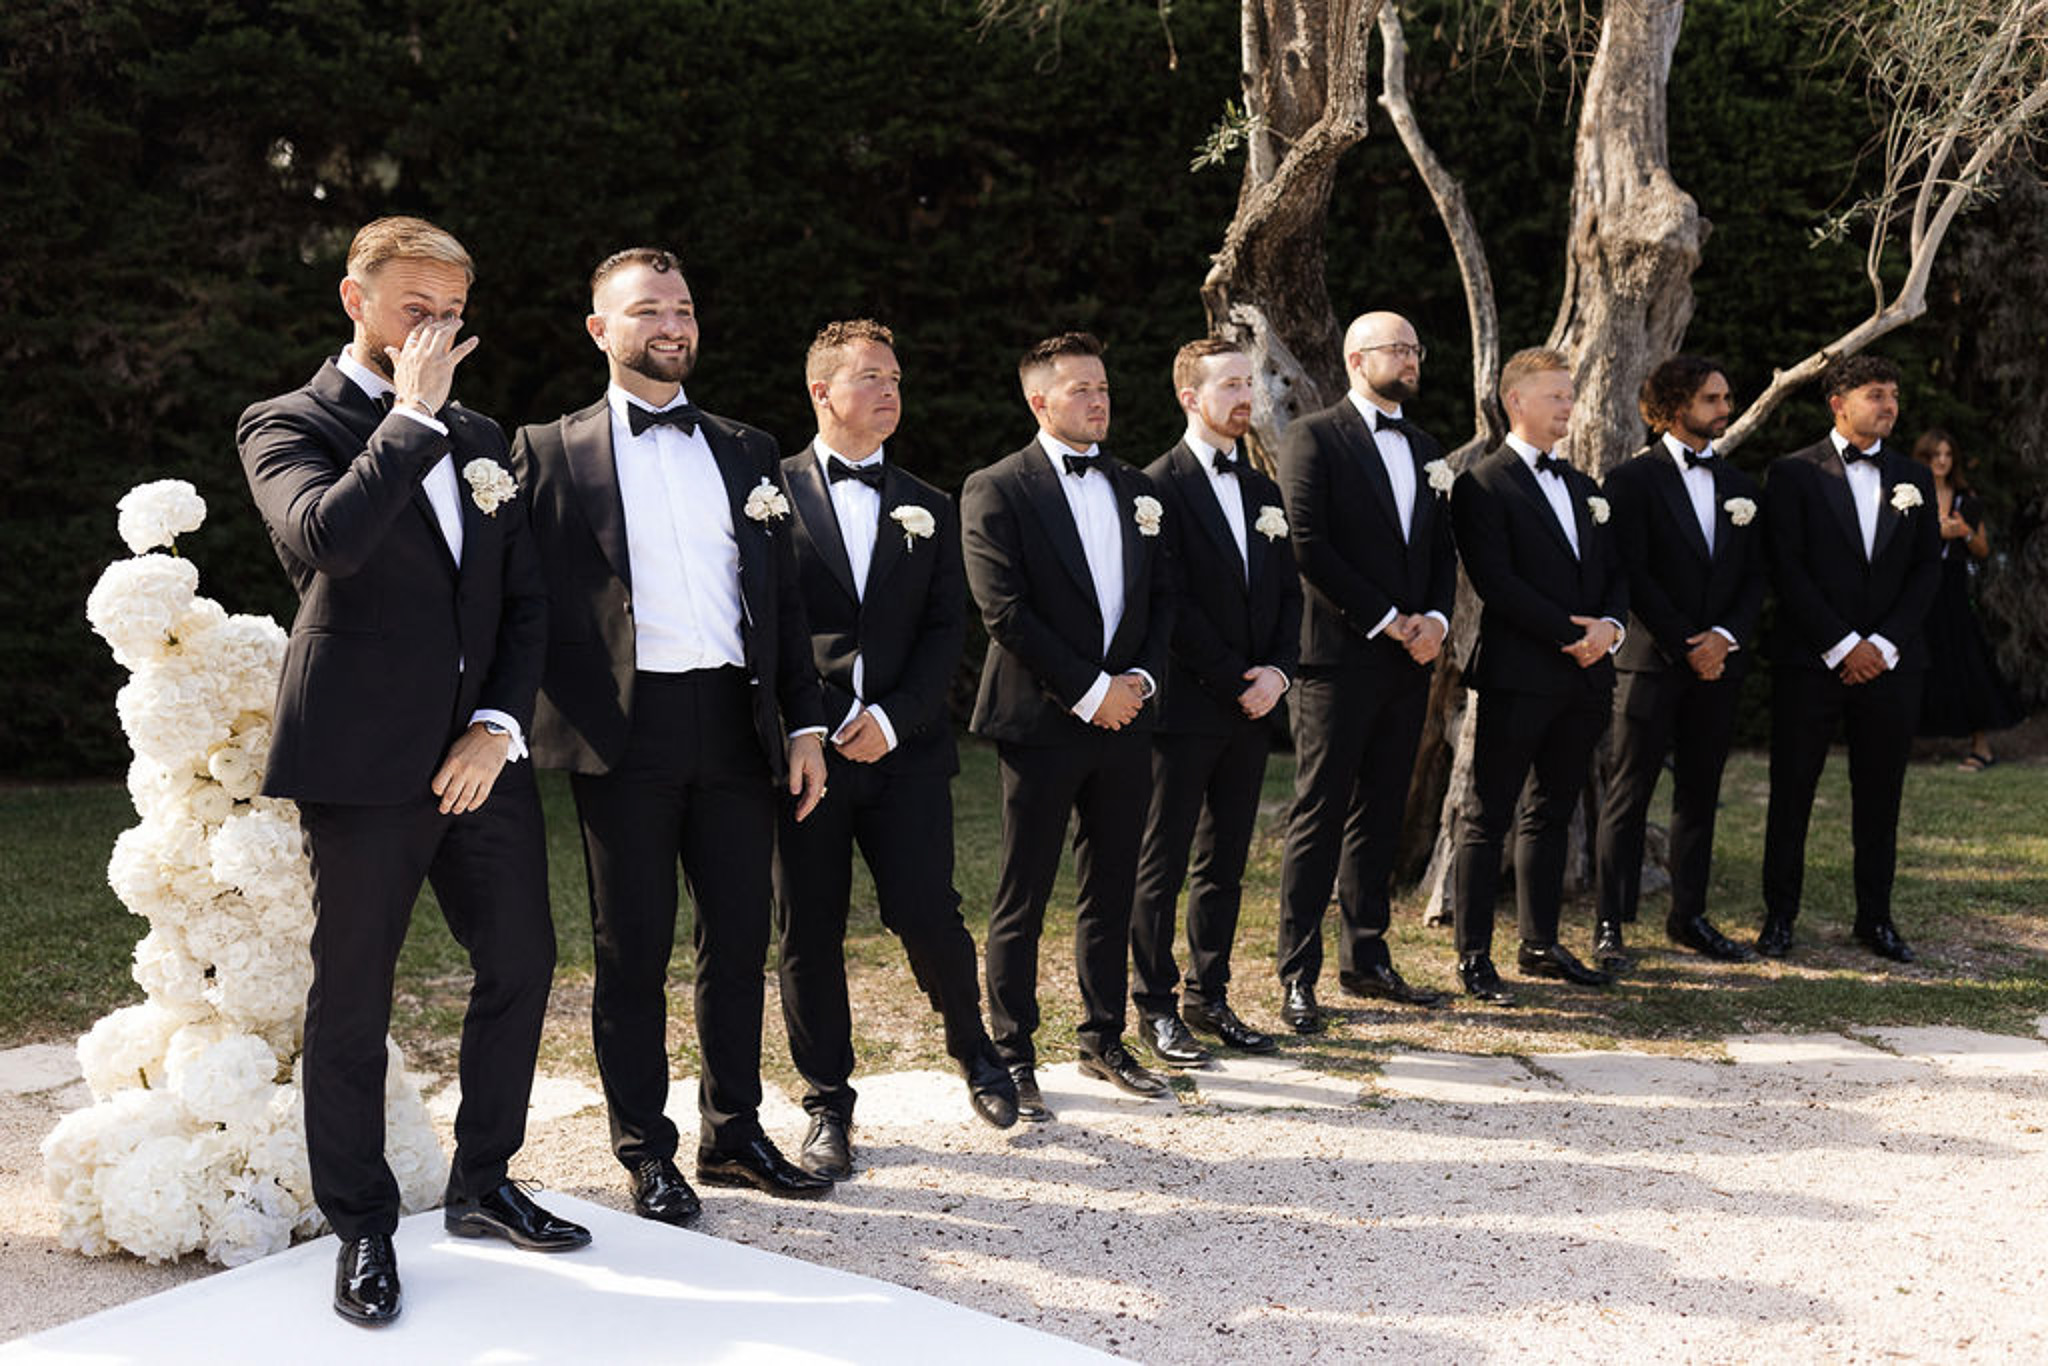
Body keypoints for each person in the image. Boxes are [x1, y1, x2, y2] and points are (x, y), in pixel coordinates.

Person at [237, 216, 585, 1327]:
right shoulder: (287, 421)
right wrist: (411, 415)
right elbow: (325, 543)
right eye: (414, 308)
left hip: (480, 758)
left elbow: (524, 601)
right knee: (353, 995)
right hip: (360, 759)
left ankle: (483, 1182)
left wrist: (496, 724)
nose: (437, 328)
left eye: (453, 312)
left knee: (522, 961)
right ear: (355, 300)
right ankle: (362, 1226)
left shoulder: (484, 437)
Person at [511, 248, 832, 1222]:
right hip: (623, 731)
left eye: (683, 308)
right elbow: (518, 599)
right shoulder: (547, 450)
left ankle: (733, 1133)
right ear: (599, 329)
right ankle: (645, 1150)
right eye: (647, 310)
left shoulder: (747, 447)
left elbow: (782, 601)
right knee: (633, 948)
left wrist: (804, 723)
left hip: (737, 723)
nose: (672, 326)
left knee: (737, 942)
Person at [772, 320, 1019, 1179]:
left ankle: (974, 1048)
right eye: (871, 376)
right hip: (807, 755)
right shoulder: (766, 495)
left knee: (927, 912)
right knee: (808, 929)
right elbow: (766, 625)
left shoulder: (928, 503)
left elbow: (948, 629)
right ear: (822, 391)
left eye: (897, 378)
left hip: (906, 752)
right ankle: (826, 1103)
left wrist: (895, 717)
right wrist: (818, 719)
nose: (890, 391)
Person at [962, 331, 1175, 1118]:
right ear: (1038, 400)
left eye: (1104, 387)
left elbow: (1162, 599)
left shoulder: (1136, 488)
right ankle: (1013, 1052)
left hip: (1128, 718)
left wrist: (1140, 681)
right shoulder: (996, 487)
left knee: (1113, 885)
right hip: (1043, 719)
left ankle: (1103, 1039)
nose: (1098, 401)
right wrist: (1090, 691)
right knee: (1024, 890)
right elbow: (1004, 611)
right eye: (1081, 389)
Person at [1271, 311, 1457, 1033]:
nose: (1411, 359)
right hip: (1337, 657)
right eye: (1397, 349)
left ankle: (1367, 958)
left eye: (1416, 348)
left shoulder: (1427, 447)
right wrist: (1387, 618)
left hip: (1409, 662)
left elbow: (1441, 548)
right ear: (1356, 359)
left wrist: (1434, 620)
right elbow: (1308, 544)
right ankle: (1298, 975)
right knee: (1320, 813)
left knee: (1382, 811)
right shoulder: (1313, 437)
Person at [1130, 338, 1301, 1064]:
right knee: (1161, 861)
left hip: (1252, 709)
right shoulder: (1155, 487)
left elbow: (1289, 594)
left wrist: (1279, 674)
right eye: (1229, 385)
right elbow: (1168, 605)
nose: (1244, 398)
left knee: (1225, 862)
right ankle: (1154, 1005)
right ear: (1188, 396)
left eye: (1248, 384)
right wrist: (1238, 678)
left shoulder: (1263, 490)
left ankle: (1210, 993)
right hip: (1184, 709)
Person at [1447, 348, 1628, 1004]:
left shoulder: (1585, 487)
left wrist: (1610, 628)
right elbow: (1496, 582)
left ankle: (1540, 942)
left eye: (1569, 395)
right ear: (1515, 402)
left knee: (1554, 811)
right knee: (1487, 813)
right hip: (1519, 676)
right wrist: (1571, 634)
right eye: (1555, 395)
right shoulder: (1482, 484)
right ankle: (1473, 955)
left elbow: (1614, 570)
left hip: (1585, 679)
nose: (1567, 405)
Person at [1759, 354, 1941, 963]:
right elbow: (1787, 568)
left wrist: (1883, 646)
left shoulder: (1914, 476)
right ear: (1838, 404)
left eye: (1894, 395)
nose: (1890, 405)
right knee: (1792, 792)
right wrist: (1842, 645)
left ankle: (1876, 919)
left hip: (1892, 666)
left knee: (1881, 796)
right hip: (1812, 663)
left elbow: (1926, 572)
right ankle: (1780, 917)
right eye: (1876, 394)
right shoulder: (1793, 473)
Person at [1591, 356, 1765, 966]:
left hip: (1719, 665)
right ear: (1672, 408)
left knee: (1700, 792)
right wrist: (1687, 643)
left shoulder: (1741, 486)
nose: (1725, 408)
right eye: (1712, 398)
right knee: (1628, 792)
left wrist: (1723, 638)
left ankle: (1689, 916)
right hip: (1651, 663)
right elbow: (1631, 574)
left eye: (1726, 397)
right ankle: (1609, 923)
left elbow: (1754, 575)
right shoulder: (1630, 481)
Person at [1911, 429, 2023, 768]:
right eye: (1935, 455)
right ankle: (1902, 742)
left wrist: (1964, 532)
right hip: (1918, 588)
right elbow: (1896, 544)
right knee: (1914, 661)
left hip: (1953, 588)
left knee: (1968, 662)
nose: (1942, 461)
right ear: (1924, 458)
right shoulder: (1910, 495)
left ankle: (1981, 747)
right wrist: (1935, 531)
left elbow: (1982, 549)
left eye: (1947, 455)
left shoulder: (1965, 498)